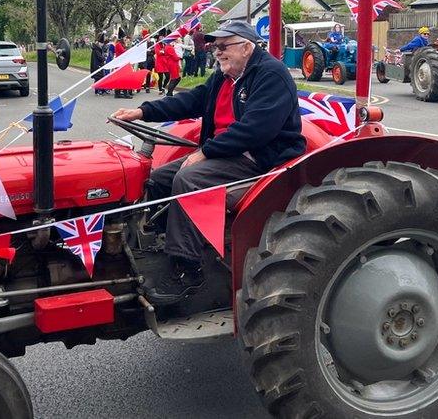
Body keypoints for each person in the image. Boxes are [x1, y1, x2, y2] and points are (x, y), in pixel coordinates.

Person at [112, 20, 305, 304]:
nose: (217, 52)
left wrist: (206, 152)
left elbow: (256, 130)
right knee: (157, 178)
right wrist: (141, 111)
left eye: (223, 46)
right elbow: (190, 101)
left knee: (190, 179)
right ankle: (160, 244)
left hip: (260, 156)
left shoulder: (270, 74)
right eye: (214, 46)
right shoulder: (225, 76)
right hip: (228, 152)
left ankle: (187, 269)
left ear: (246, 46)